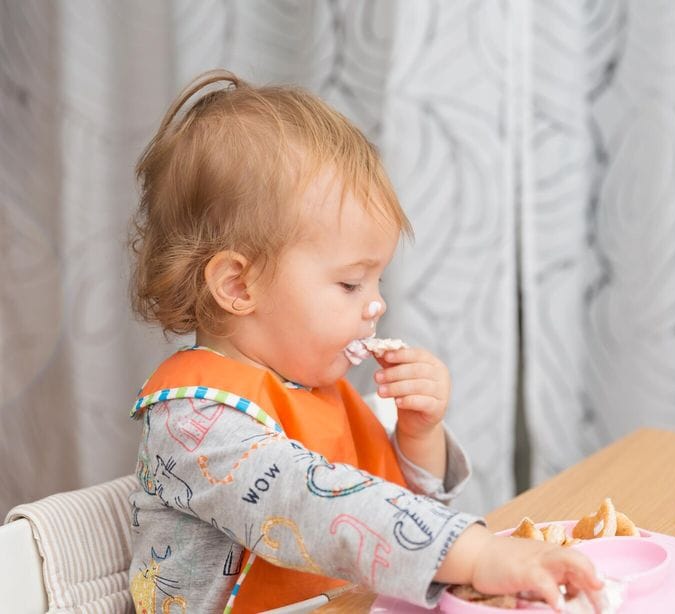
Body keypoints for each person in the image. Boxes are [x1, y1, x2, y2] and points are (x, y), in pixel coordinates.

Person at [126, 69, 601, 613]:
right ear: (238, 285)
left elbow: (403, 525)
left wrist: (420, 436)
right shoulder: (197, 424)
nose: (377, 304)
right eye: (351, 283)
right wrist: (478, 556)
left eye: (376, 282)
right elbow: (315, 509)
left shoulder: (318, 396)